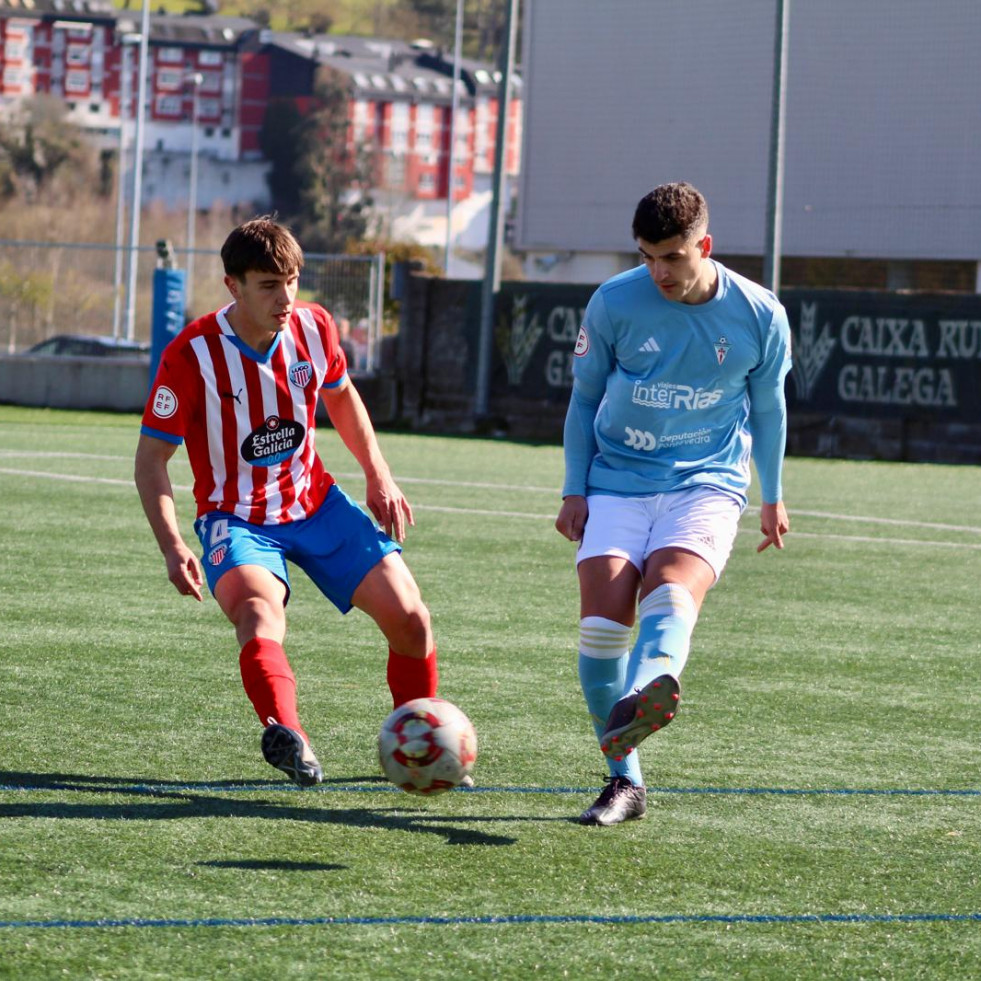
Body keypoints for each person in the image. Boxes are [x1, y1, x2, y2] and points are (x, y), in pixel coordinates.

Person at [135, 217, 439, 787]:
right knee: (257, 616)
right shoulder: (190, 354)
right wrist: (173, 545)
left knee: (413, 620)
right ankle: (290, 737)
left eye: (293, 281)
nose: (286, 297)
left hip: (314, 503)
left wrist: (379, 475)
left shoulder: (314, 326)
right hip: (237, 517)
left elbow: (342, 397)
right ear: (234, 286)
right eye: (269, 285)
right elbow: (151, 460)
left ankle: (421, 743)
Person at [554, 182, 792, 826]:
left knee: (668, 588)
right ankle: (625, 783)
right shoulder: (613, 303)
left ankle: (647, 688)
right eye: (646, 256)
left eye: (673, 257)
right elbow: (582, 401)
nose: (658, 271)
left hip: (707, 484)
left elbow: (768, 409)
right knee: (601, 630)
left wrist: (772, 496)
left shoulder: (759, 313)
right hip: (617, 481)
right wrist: (574, 488)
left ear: (704, 246)